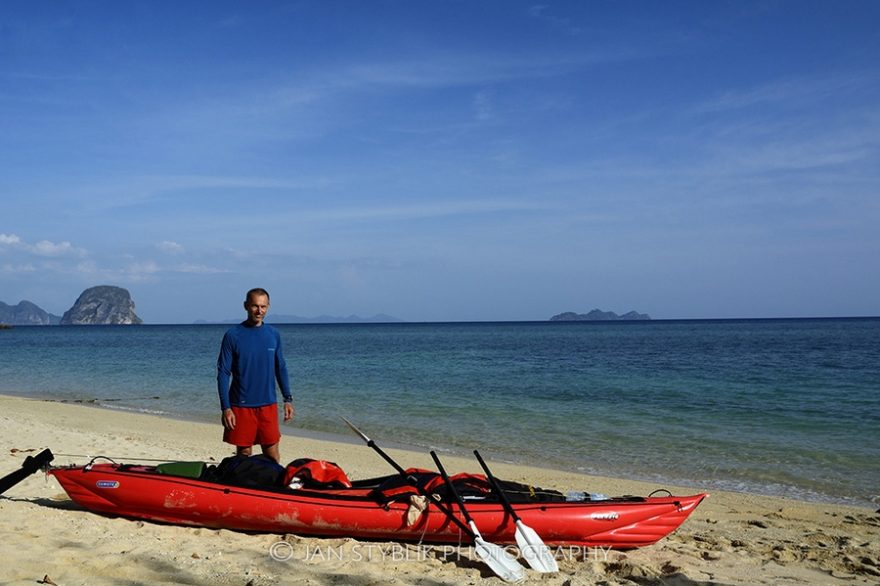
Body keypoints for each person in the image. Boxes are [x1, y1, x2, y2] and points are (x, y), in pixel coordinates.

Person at [217, 288, 294, 463]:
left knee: (272, 455)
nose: (259, 311)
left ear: (268, 307)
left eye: (263, 306)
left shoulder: (273, 335)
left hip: (268, 404)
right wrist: (226, 408)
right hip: (241, 406)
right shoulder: (232, 335)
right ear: (246, 306)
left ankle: (272, 488)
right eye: (255, 306)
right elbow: (223, 373)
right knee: (244, 456)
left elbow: (280, 367)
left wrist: (287, 398)